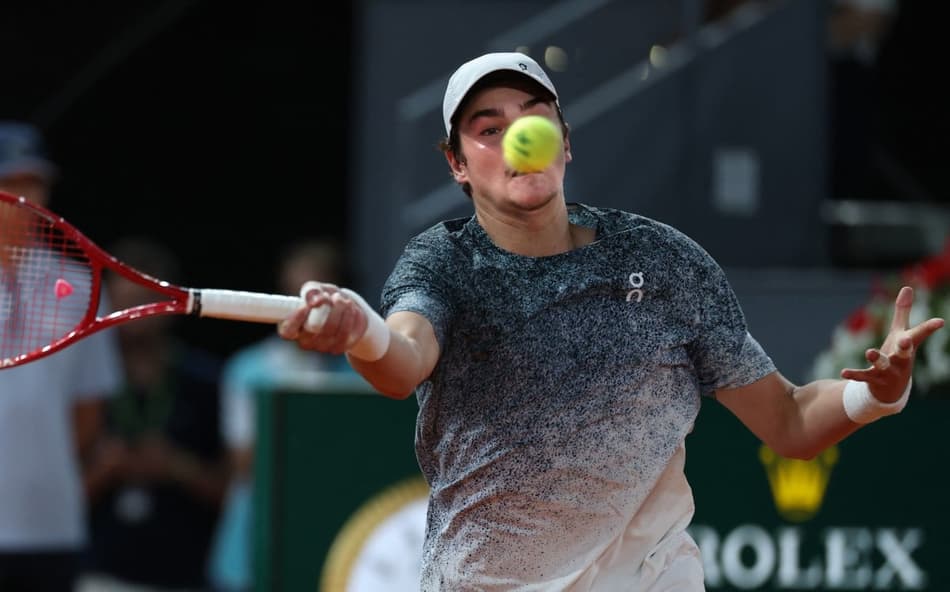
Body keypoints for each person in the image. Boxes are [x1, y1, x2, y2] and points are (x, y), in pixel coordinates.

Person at [275, 52, 946, 590]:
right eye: (487, 128)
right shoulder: (442, 264)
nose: (517, 137)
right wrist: (360, 332)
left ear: (564, 143)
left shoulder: (663, 260)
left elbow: (792, 421)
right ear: (456, 164)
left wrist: (875, 394)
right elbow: (403, 360)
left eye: (533, 118)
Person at [0, 121, 123, 591]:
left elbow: (89, 409)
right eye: (10, 184)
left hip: (51, 524)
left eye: (34, 183)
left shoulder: (82, 286)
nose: (25, 198)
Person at [207, 238, 365, 592]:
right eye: (296, 296)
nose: (309, 311)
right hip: (252, 552)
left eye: (321, 301)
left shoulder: (367, 371)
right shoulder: (246, 370)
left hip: (336, 542)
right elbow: (245, 463)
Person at [78, 237, 228, 591]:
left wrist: (178, 467)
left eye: (146, 304)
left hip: (185, 575)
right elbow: (53, 496)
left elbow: (236, 493)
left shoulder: (206, 381)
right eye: (125, 303)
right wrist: (106, 469)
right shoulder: (83, 383)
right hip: (97, 574)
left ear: (172, 306)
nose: (136, 316)